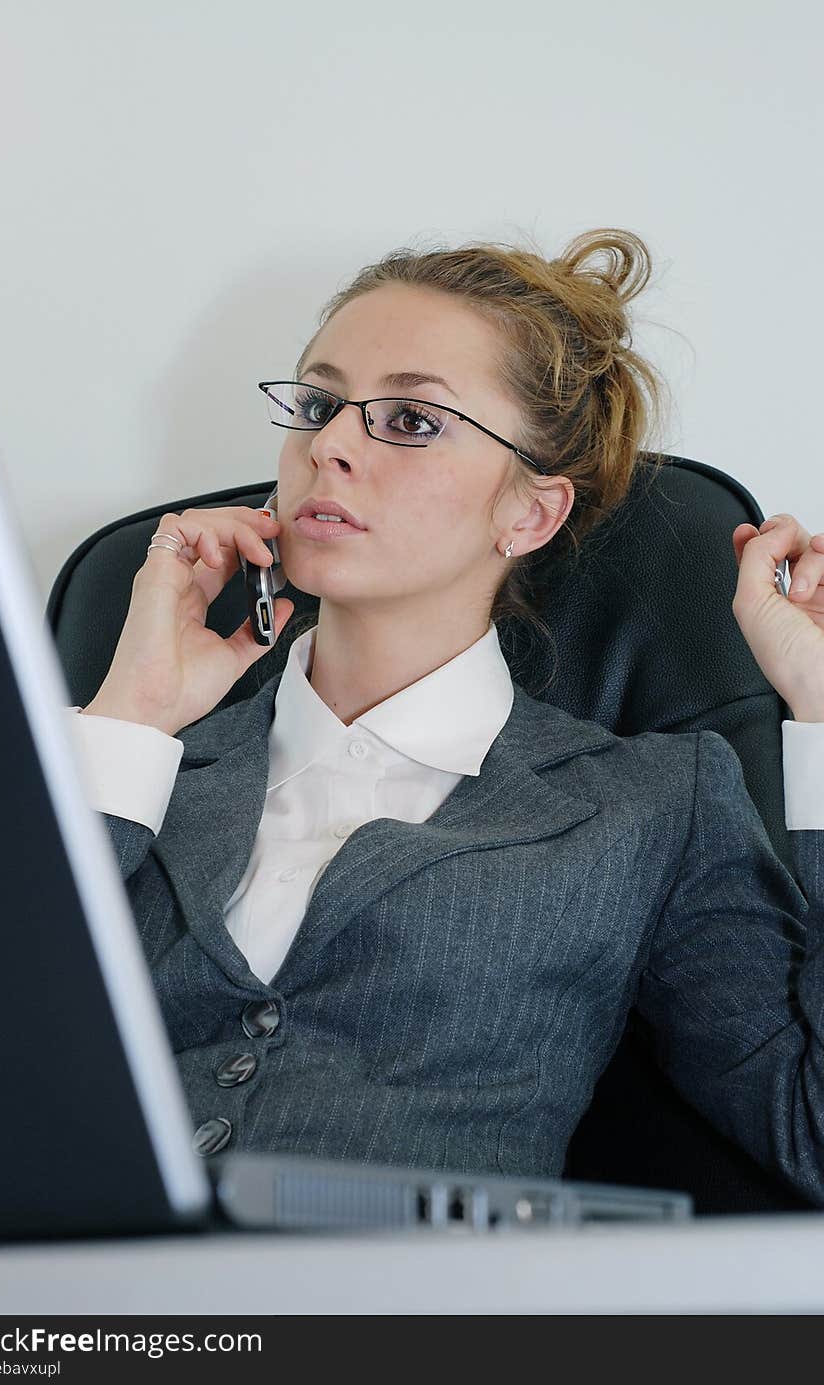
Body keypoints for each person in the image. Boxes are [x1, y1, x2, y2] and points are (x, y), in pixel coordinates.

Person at [64, 228, 824, 1202]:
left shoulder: (650, 805)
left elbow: (809, 1130)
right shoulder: (128, 764)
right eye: (318, 403)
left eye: (411, 420)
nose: (329, 444)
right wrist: (134, 712)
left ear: (530, 514)